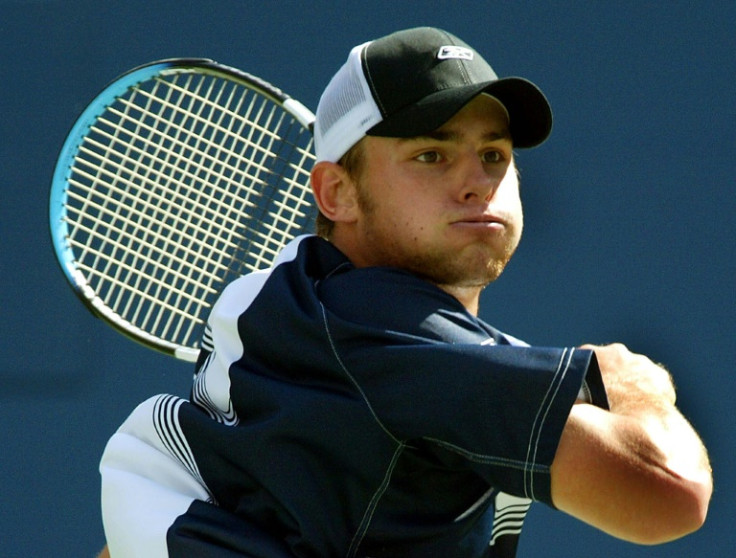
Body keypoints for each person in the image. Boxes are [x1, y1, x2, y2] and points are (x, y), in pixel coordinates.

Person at [98, 27, 712, 557]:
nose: (477, 183)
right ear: (335, 192)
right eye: (430, 154)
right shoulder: (386, 329)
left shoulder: (293, 309)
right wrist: (638, 390)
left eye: (493, 154)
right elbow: (670, 492)